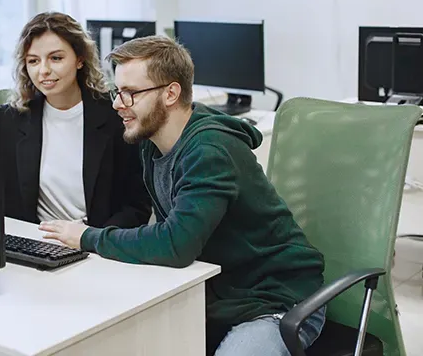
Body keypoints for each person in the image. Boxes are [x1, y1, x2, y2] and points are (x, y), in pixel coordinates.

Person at [39, 35, 326, 355]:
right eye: (117, 92)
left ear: (171, 93)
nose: (119, 104)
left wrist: (87, 237)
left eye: (131, 93)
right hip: (217, 295)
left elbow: (176, 244)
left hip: (278, 300)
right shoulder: (152, 142)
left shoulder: (209, 150)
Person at [0, 11, 152, 230]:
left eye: (56, 58)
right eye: (33, 61)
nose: (44, 70)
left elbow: (137, 206)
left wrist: (92, 239)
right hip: (37, 245)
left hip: (97, 245)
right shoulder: (11, 121)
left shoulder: (117, 117)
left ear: (80, 59)